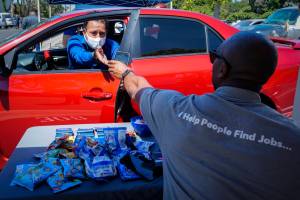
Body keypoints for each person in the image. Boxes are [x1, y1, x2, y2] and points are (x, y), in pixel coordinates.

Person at [107, 32, 300, 199]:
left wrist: (125, 74)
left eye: (214, 56)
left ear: (222, 69)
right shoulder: (293, 137)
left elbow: (139, 88)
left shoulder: (175, 111)